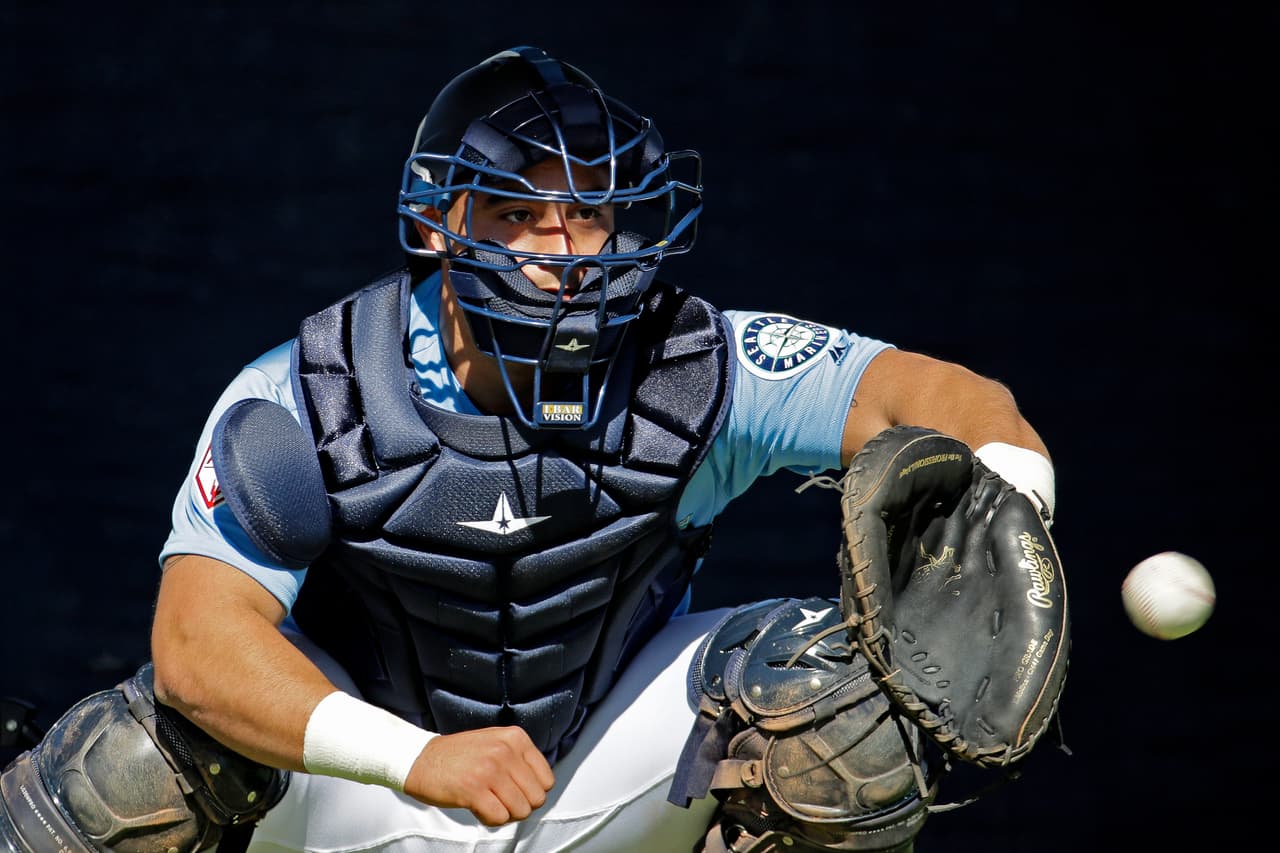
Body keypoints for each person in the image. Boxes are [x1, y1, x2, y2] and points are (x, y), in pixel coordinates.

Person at [0, 46, 1057, 853]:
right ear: (437, 222)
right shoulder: (310, 392)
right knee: (132, 761)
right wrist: (418, 759)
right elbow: (196, 644)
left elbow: (944, 398)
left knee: (830, 705)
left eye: (592, 218)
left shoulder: (693, 367)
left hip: (593, 780)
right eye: (517, 214)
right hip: (363, 791)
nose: (566, 254)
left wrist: (1012, 500)